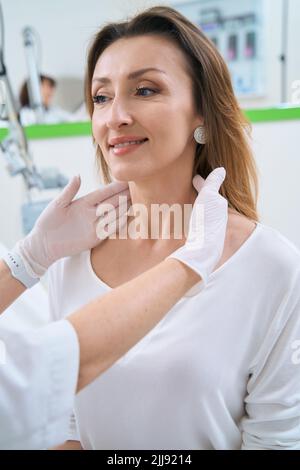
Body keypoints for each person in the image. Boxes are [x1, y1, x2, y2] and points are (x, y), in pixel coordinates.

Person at [48, 5, 300, 450]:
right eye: (101, 97)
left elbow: (276, 439)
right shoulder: (70, 254)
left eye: (145, 90)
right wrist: (28, 260)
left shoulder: (270, 266)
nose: (115, 117)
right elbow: (62, 421)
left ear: (201, 113)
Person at [0, 168, 228, 449]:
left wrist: (26, 259)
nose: (115, 121)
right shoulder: (72, 264)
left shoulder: (267, 259)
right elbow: (52, 385)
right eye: (95, 118)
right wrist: (191, 263)